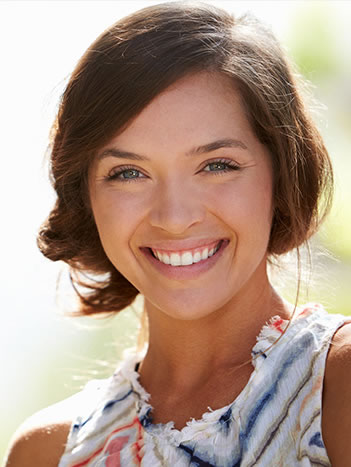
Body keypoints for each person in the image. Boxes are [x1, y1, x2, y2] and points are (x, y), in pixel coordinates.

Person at [5, 2, 351, 466]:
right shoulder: (49, 450)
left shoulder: (336, 386)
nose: (173, 217)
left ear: (283, 175)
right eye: (128, 172)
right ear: (85, 195)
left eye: (217, 165)